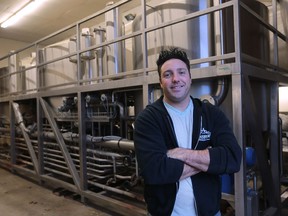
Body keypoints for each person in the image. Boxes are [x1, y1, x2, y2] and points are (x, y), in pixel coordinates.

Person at [133, 47, 242, 216]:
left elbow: (233, 158)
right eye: (168, 74)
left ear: (190, 78)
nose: (176, 79)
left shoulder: (210, 114)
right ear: (161, 82)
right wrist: (210, 160)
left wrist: (181, 154)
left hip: (210, 212)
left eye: (181, 72)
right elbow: (154, 171)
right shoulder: (148, 119)